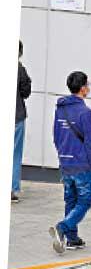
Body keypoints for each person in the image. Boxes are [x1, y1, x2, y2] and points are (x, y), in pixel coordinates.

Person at [49, 70, 91, 253]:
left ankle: (72, 239)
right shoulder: (86, 113)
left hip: (65, 162)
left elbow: (56, 135)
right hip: (82, 163)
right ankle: (62, 228)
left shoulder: (60, 108)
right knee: (84, 201)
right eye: (88, 85)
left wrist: (62, 154)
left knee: (70, 199)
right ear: (83, 88)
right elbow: (90, 141)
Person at [14, 41, 29, 203]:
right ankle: (11, 189)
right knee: (15, 154)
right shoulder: (20, 70)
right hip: (17, 116)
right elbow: (26, 92)